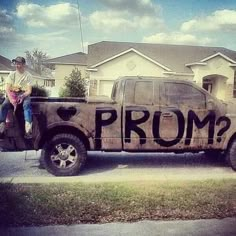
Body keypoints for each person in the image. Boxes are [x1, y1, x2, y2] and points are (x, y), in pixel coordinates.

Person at [0, 56, 33, 138]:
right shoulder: (12, 75)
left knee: (27, 105)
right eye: (16, 63)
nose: (18, 65)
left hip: (23, 93)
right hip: (12, 93)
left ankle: (28, 130)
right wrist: (11, 99)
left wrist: (22, 96)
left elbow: (29, 91)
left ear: (24, 64)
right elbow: (7, 89)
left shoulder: (28, 75)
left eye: (19, 63)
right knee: (4, 105)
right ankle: (1, 129)